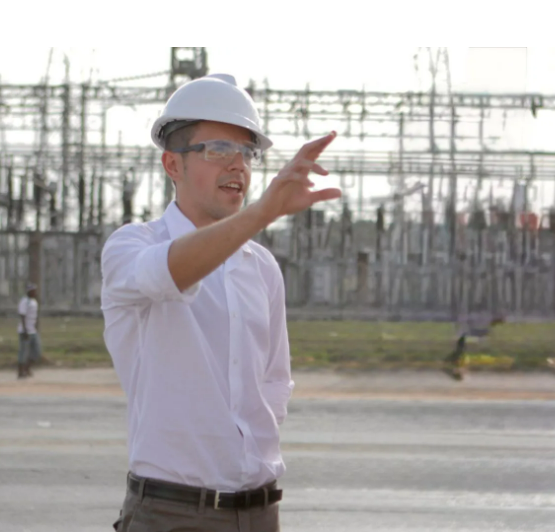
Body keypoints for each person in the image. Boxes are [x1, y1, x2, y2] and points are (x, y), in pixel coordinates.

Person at [101, 73, 341, 532]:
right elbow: (166, 273)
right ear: (173, 164)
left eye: (247, 153)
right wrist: (262, 213)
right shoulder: (131, 247)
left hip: (259, 513)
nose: (238, 165)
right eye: (218, 150)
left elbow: (275, 380)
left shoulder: (261, 267)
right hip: (172, 515)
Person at [17, 283, 41, 379]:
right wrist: (25, 330)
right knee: (23, 352)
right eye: (33, 291)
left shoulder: (34, 302)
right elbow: (22, 316)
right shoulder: (24, 301)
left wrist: (35, 327)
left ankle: (27, 368)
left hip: (33, 330)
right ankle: (20, 372)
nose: (35, 292)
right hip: (25, 331)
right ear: (29, 291)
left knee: (37, 351)